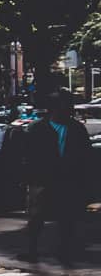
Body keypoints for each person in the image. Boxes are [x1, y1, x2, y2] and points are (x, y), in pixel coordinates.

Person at [21, 89, 92, 265]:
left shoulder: (77, 129)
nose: (69, 109)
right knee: (36, 216)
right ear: (54, 108)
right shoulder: (37, 128)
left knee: (67, 217)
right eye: (65, 105)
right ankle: (31, 250)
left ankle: (64, 251)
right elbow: (27, 155)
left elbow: (85, 155)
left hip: (68, 179)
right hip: (42, 178)